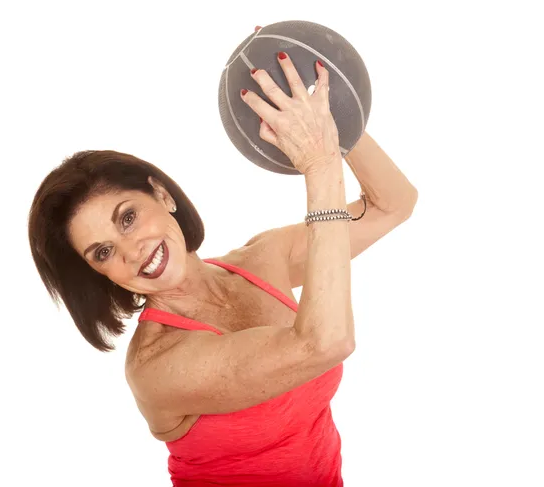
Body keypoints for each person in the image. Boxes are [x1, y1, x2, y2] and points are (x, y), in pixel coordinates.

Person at [28, 51, 417, 486]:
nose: (131, 251)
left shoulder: (262, 259)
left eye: (128, 218)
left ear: (163, 195)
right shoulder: (158, 367)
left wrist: (326, 106)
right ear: (98, 273)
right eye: (102, 252)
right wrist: (320, 162)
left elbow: (392, 204)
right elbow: (324, 343)